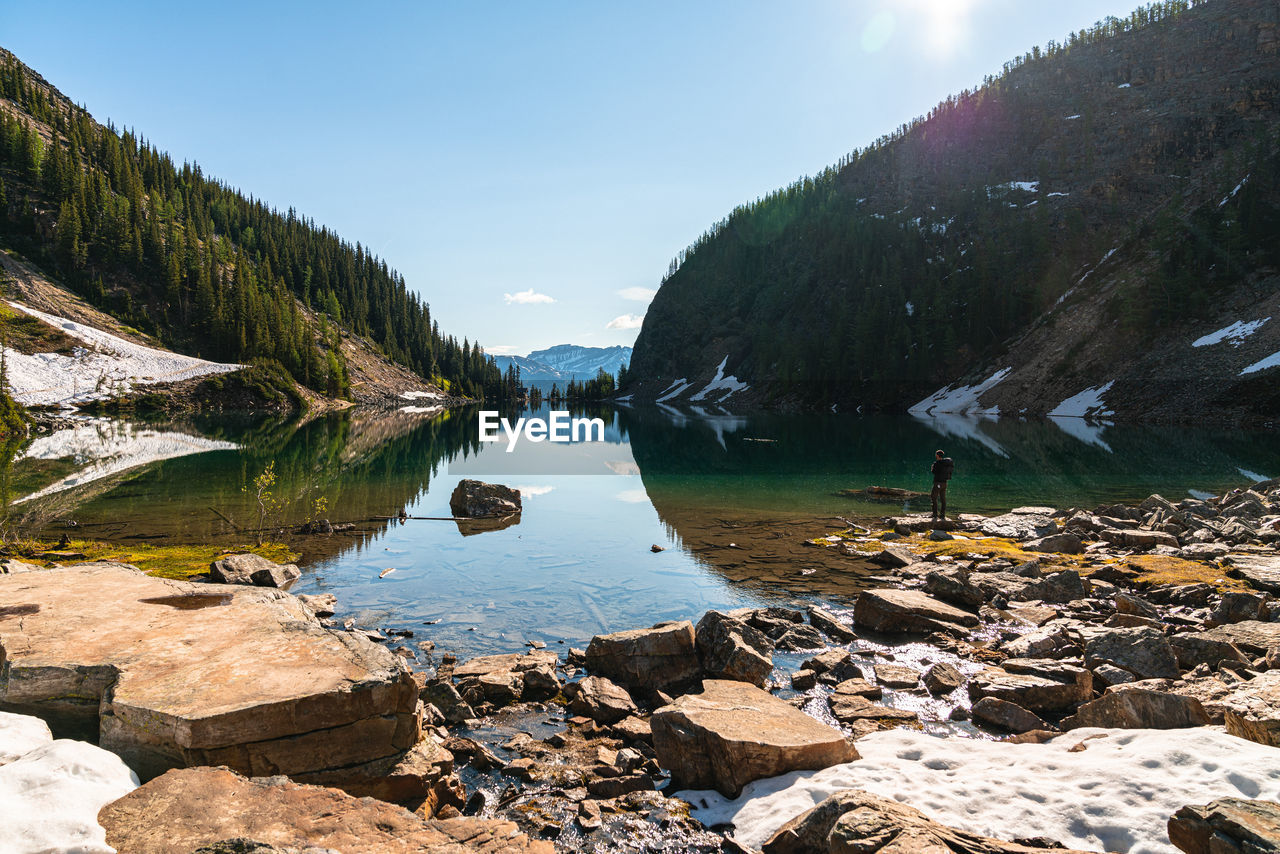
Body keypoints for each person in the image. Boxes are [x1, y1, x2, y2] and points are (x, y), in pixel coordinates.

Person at [930, 450, 954, 521]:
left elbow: (934, 472)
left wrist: (932, 467)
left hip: (938, 483)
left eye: (936, 455)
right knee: (943, 499)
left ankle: (935, 515)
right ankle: (942, 515)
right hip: (945, 483)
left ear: (937, 455)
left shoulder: (937, 463)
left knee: (933, 497)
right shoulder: (946, 463)